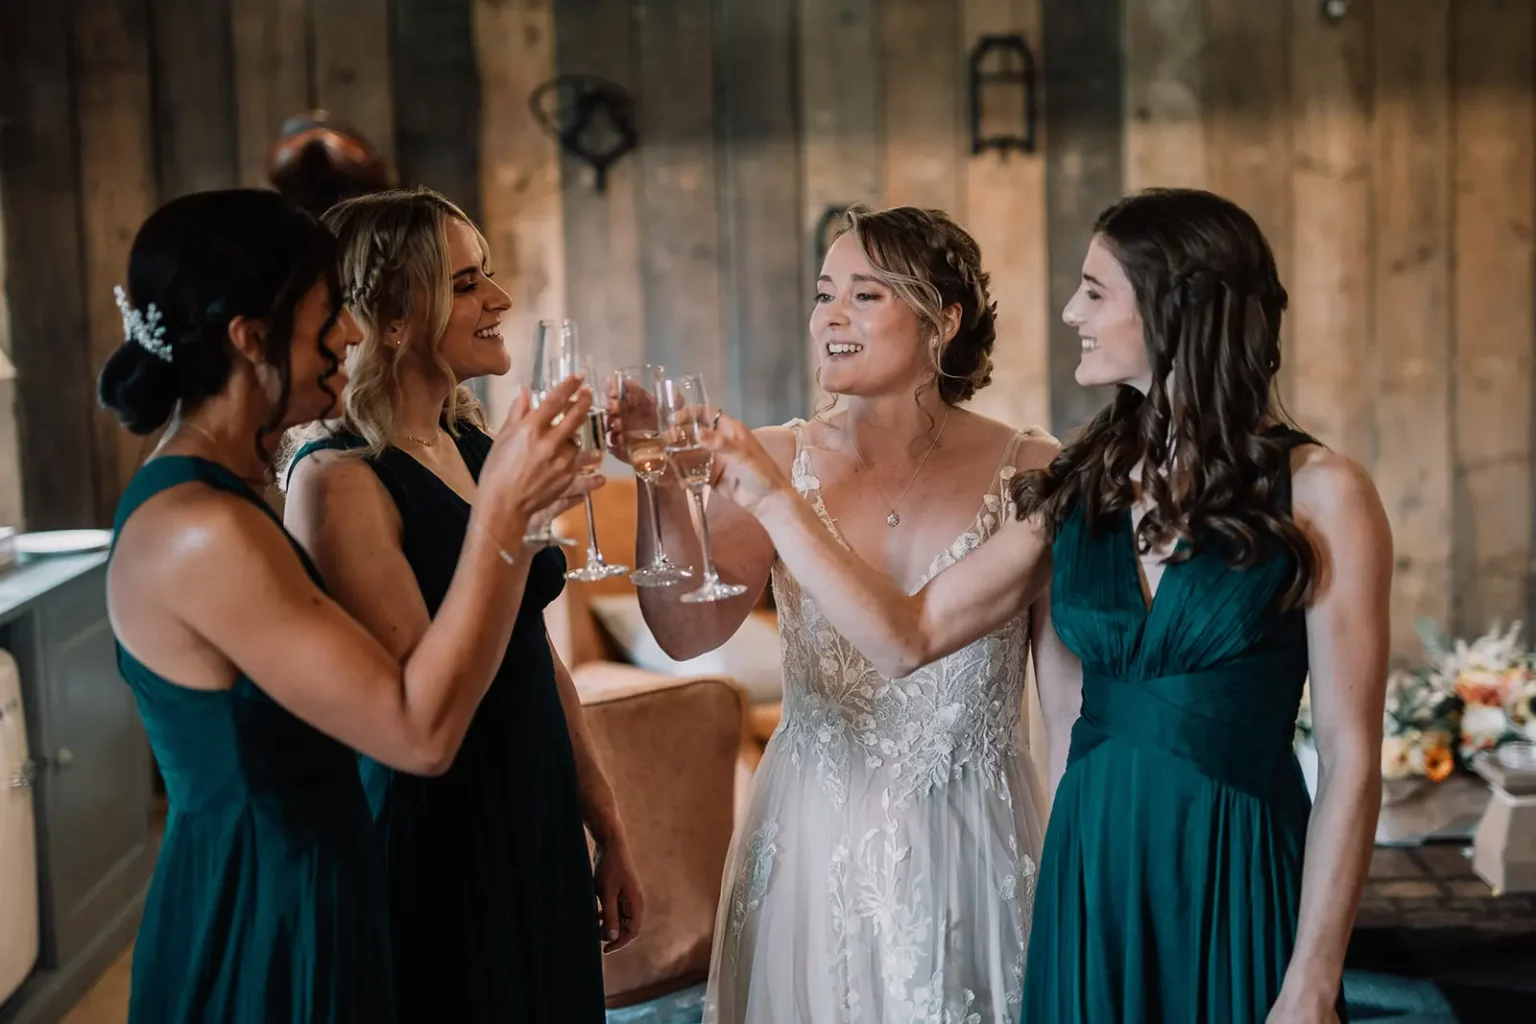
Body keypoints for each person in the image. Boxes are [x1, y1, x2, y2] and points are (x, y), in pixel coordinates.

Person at [697, 188, 1390, 1023]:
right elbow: (908, 635)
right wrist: (772, 498)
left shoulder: (1322, 493)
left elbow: (1352, 762)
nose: (1070, 312)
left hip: (1235, 862)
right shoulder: (1076, 487)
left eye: (1095, 291)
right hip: (1088, 877)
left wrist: (1312, 984)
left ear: (1179, 305)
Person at [98, 188, 593, 1022]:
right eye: (331, 317)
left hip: (322, 879)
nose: (356, 336)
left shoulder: (235, 493)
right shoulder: (202, 528)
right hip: (264, 909)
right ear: (251, 339)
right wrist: (505, 520)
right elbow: (419, 732)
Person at [611, 205, 1071, 1023]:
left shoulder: (1032, 470)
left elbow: (1066, 701)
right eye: (825, 293)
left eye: (866, 294)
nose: (831, 315)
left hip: (979, 840)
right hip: (815, 838)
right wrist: (653, 476)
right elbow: (685, 632)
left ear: (944, 320)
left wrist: (1082, 862)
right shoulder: (775, 459)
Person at [281, 187, 640, 1024]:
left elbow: (532, 650)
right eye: (469, 282)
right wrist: (512, 521)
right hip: (439, 834)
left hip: (536, 812)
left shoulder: (478, 446)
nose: (500, 300)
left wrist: (606, 821)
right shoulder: (340, 482)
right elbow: (424, 705)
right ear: (395, 318)